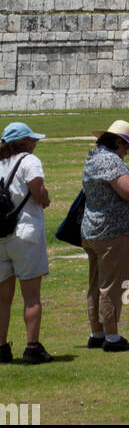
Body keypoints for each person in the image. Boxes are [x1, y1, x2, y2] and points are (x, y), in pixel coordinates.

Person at [81, 120, 129, 352]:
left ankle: (97, 332)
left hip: (94, 229)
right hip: (113, 232)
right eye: (126, 147)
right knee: (112, 286)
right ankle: (112, 337)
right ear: (118, 142)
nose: (126, 153)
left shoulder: (94, 158)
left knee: (96, 284)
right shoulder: (111, 161)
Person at [0, 122, 52, 364]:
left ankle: (1, 347)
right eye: (33, 140)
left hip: (2, 234)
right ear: (24, 142)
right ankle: (32, 346)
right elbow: (38, 193)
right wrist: (46, 196)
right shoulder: (28, 161)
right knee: (31, 296)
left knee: (3, 298)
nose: (35, 144)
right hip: (25, 231)